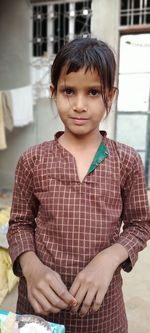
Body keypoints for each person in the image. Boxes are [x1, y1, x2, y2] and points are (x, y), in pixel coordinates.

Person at [7, 36, 150, 333]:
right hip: (39, 311)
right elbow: (19, 224)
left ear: (110, 95)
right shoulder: (32, 160)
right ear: (53, 92)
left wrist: (108, 259)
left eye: (93, 92)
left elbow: (140, 225)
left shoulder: (126, 161)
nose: (79, 105)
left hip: (103, 313)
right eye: (69, 91)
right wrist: (31, 269)